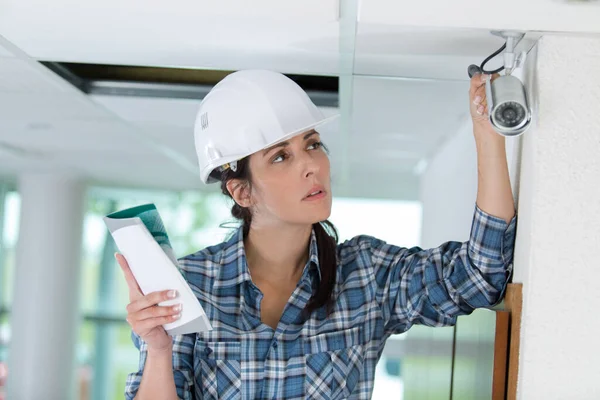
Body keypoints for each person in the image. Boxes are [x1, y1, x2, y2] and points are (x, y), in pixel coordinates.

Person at [117, 69, 517, 399]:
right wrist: (159, 348)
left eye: (312, 144)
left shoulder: (367, 276)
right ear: (243, 191)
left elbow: (479, 276)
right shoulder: (192, 285)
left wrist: (488, 135)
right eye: (280, 156)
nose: (311, 165)